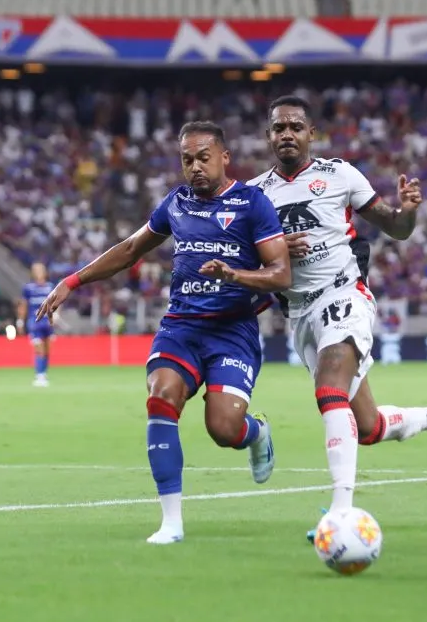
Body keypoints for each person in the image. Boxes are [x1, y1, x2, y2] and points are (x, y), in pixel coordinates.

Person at [36, 121, 291, 544]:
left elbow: (281, 274)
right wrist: (72, 281)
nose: (194, 167)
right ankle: (171, 522)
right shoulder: (175, 204)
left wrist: (235, 275)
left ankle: (256, 432)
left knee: (224, 429)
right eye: (187, 160)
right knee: (161, 395)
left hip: (232, 331)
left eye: (203, 158)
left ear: (224, 157)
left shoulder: (252, 203)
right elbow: (131, 249)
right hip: (182, 327)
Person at [246, 96, 427, 542]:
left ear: (311, 133)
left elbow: (395, 226)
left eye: (295, 126)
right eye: (278, 128)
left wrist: (408, 210)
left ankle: (341, 515)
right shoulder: (254, 194)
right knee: (367, 427)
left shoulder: (339, 175)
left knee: (330, 389)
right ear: (268, 137)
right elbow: (247, 257)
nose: (286, 134)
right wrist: (273, 250)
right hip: (301, 315)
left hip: (344, 296)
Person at [17, 262, 55, 387]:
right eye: (36, 270)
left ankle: (43, 373)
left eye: (40, 270)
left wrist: (57, 314)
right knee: (39, 348)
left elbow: (57, 302)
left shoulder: (50, 287)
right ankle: (39, 375)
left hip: (48, 322)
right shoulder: (28, 288)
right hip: (35, 322)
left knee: (47, 349)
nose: (38, 272)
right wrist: (20, 321)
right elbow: (23, 305)